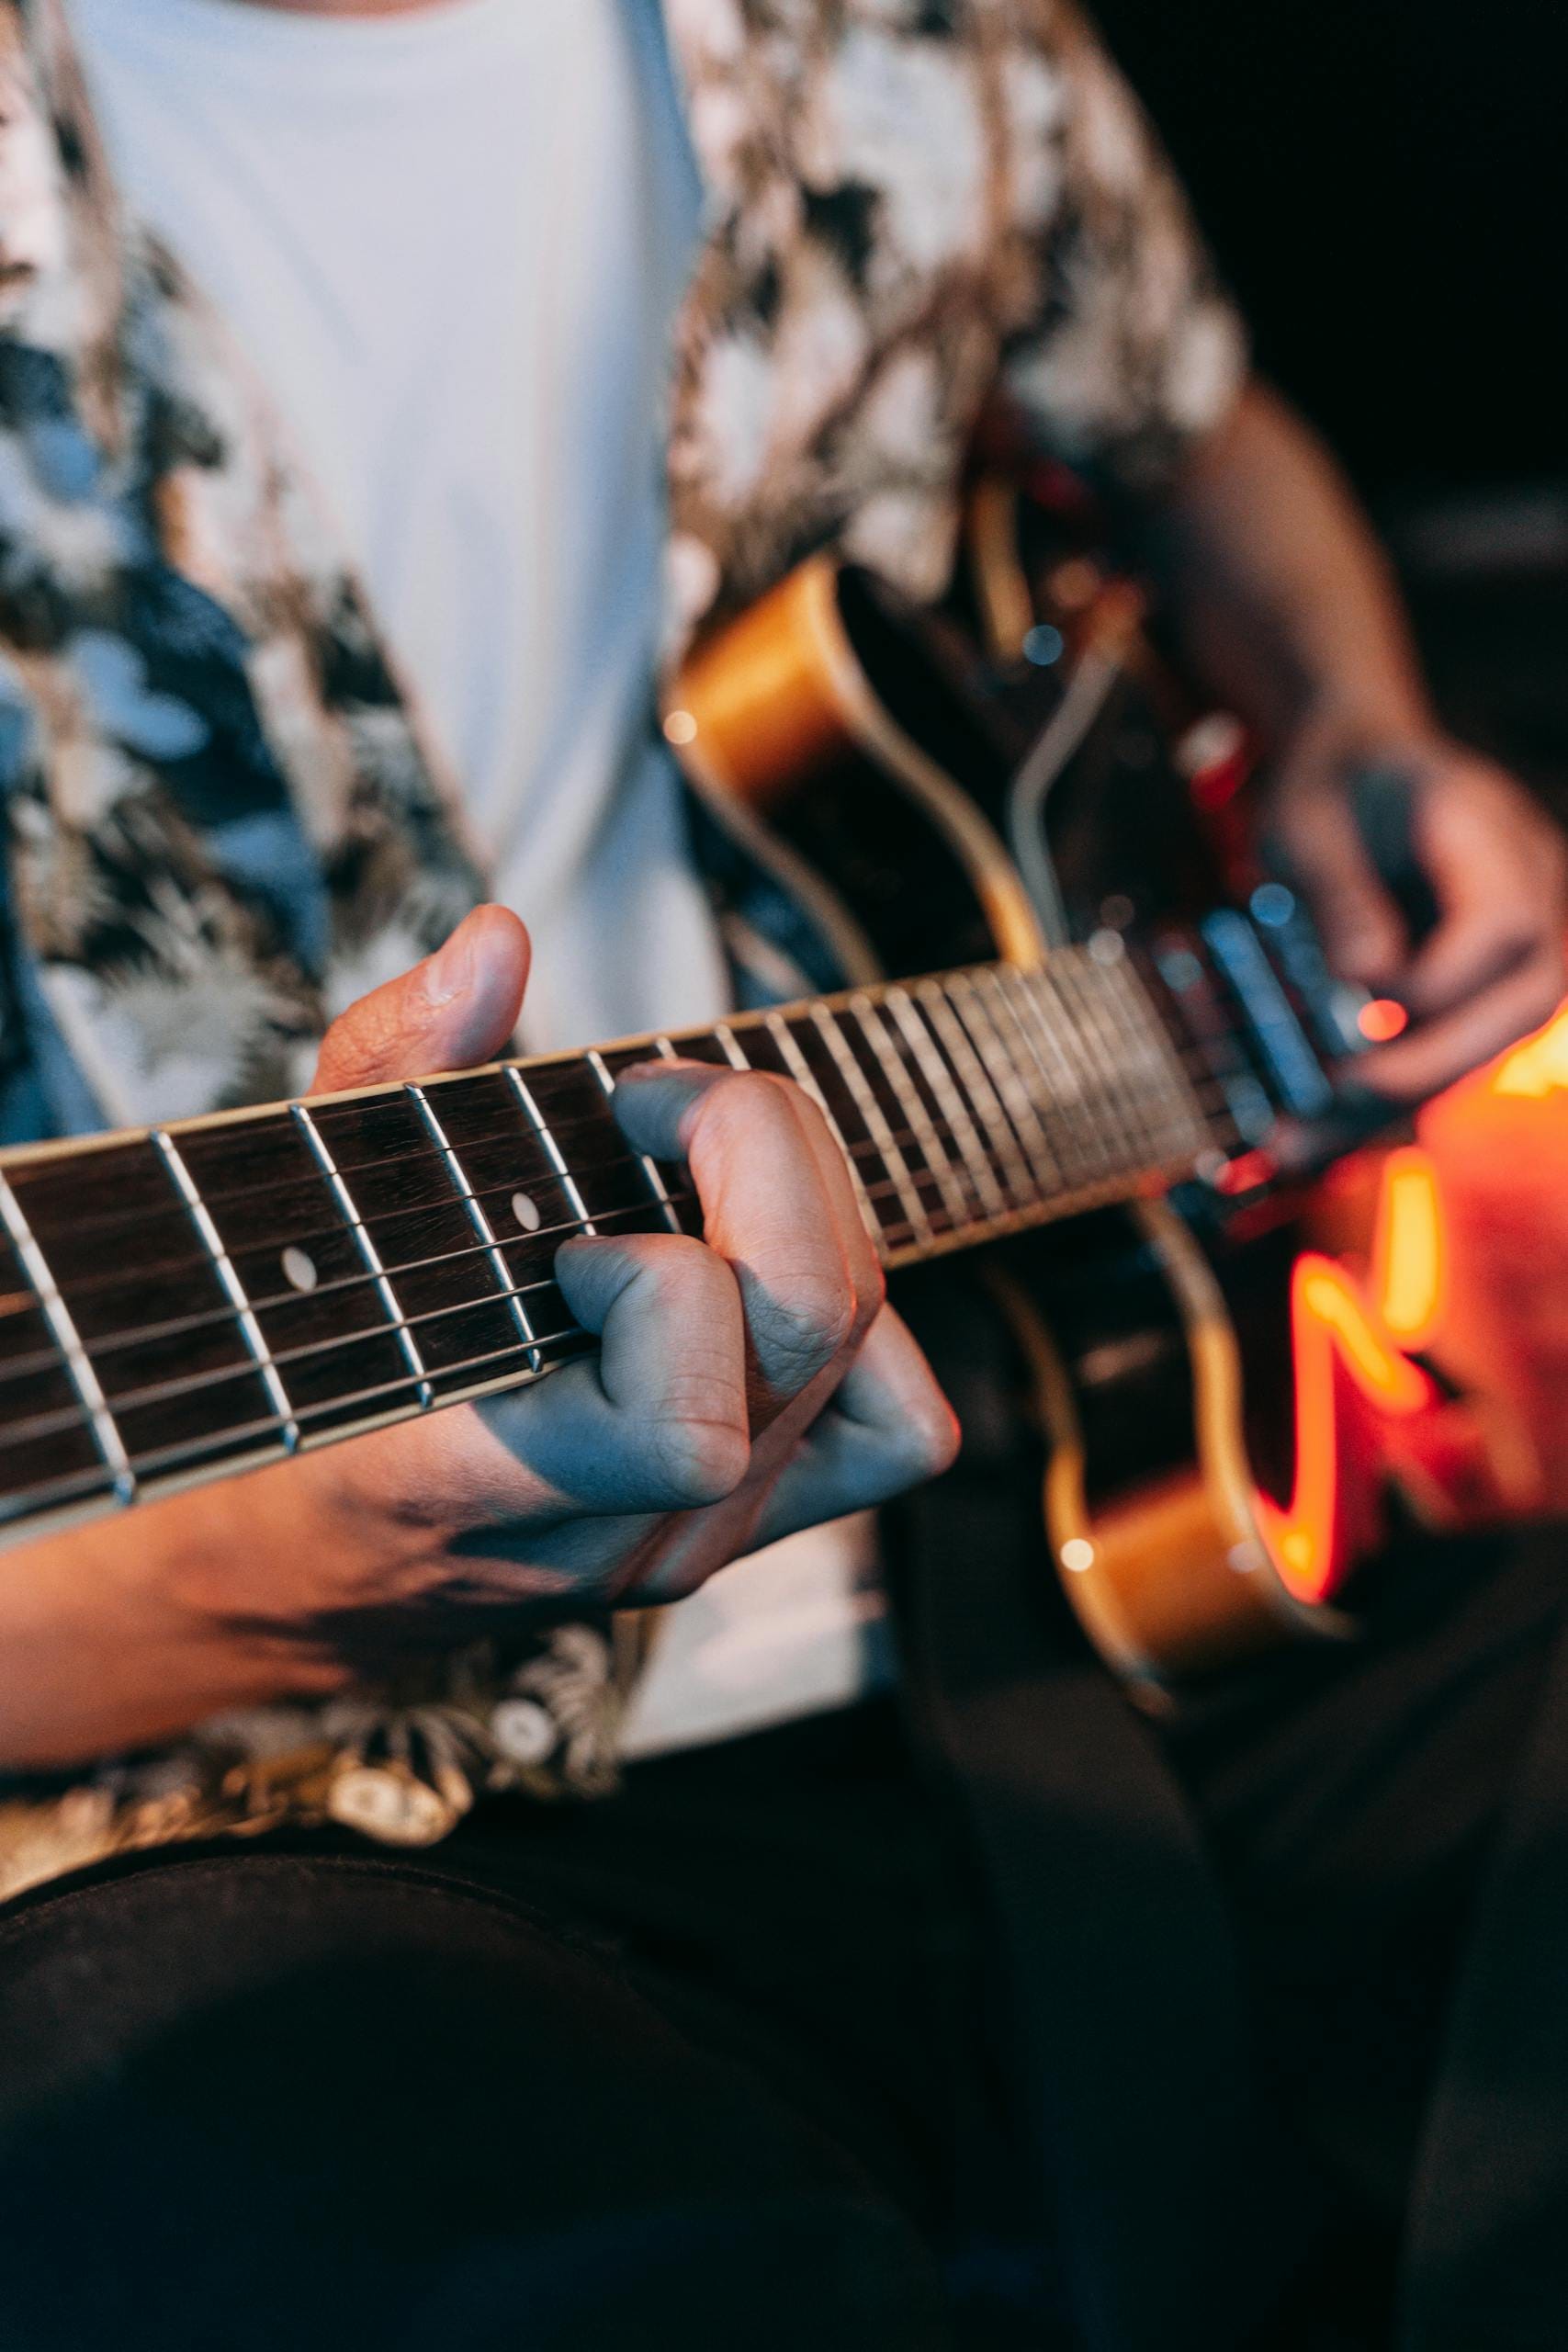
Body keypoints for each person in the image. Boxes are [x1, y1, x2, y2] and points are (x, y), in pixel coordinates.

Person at [0, 3, 1564, 2346]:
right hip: (253, 1802)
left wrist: (1345, 712)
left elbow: (1188, 414)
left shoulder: (905, 27)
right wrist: (320, 1576)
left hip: (1077, 1505)